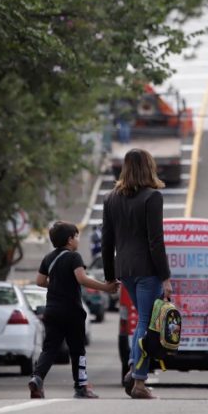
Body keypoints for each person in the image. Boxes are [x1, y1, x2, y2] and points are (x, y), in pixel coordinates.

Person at [101, 148, 171, 400]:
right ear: (148, 167)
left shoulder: (110, 198)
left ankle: (134, 368)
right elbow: (156, 242)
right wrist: (165, 276)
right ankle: (139, 380)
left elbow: (106, 242)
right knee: (144, 321)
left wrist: (110, 276)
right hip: (147, 270)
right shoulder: (152, 198)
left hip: (125, 270)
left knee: (141, 320)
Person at [28, 221, 118, 400]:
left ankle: (37, 378)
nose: (77, 240)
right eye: (76, 236)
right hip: (72, 311)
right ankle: (81, 387)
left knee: (50, 348)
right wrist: (106, 288)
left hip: (52, 309)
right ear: (70, 240)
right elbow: (82, 279)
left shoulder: (48, 258)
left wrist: (55, 285)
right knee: (77, 350)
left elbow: (39, 281)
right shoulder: (74, 257)